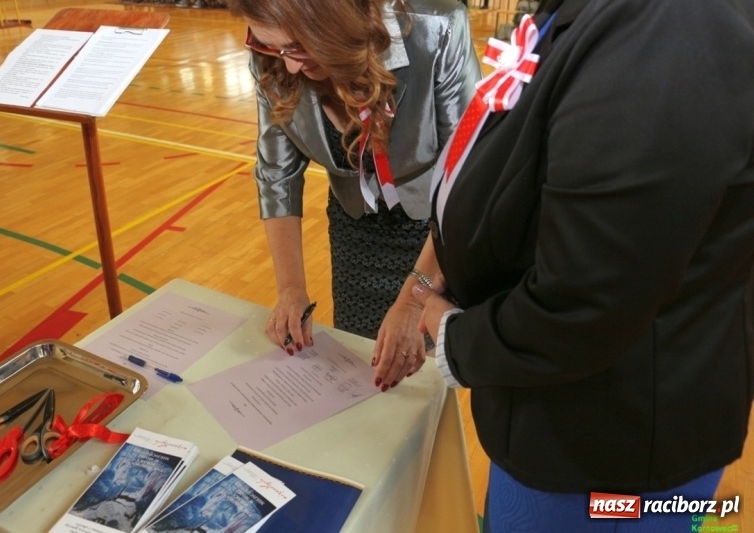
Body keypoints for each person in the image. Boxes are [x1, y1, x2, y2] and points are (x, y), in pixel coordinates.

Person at [409, 0, 754, 530]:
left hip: (610, 447)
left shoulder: (667, 26)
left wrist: (455, 337)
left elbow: (588, 303)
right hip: (559, 412)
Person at [225, 0, 482, 390]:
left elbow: (467, 176)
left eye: (298, 47)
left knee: (420, 379)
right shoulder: (274, 55)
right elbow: (276, 175)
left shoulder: (438, 28)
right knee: (359, 369)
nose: (289, 66)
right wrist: (291, 289)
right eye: (271, 47)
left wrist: (415, 299)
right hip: (355, 228)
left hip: (441, 231)